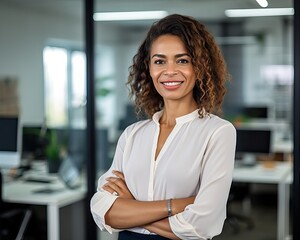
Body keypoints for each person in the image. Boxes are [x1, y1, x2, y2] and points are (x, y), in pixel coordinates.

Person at [90, 14, 236, 240]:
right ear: (148, 68)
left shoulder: (217, 132)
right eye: (159, 61)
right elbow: (102, 208)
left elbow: (203, 224)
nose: (169, 71)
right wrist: (177, 206)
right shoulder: (132, 135)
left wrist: (132, 207)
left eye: (182, 60)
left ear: (199, 67)